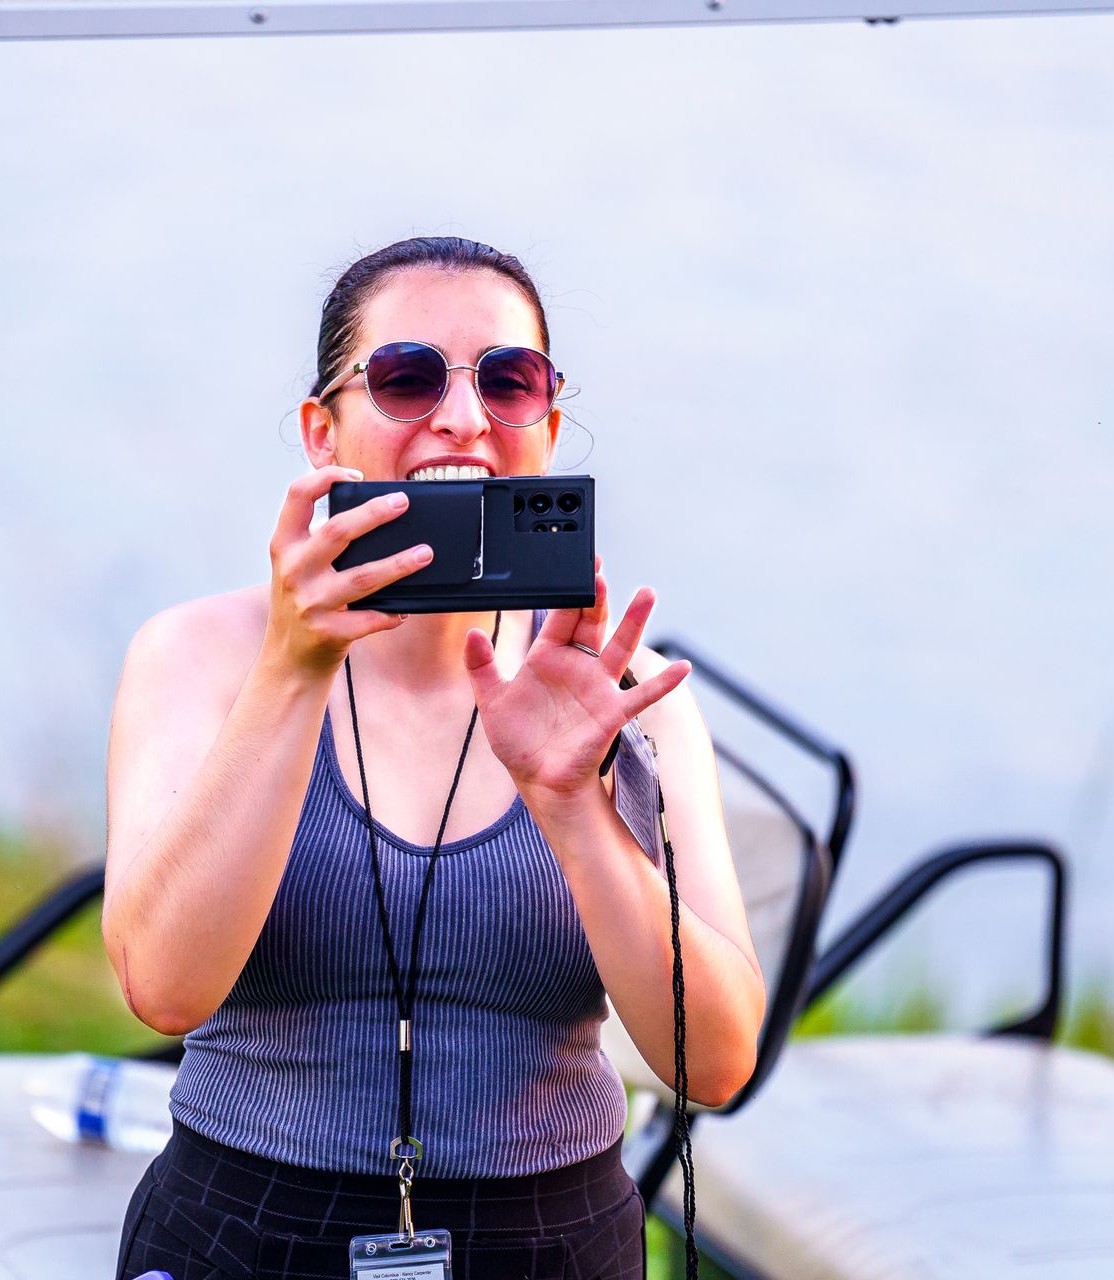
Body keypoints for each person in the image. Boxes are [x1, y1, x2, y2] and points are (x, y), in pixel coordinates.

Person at [103, 236, 765, 1279]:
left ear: (546, 423)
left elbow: (714, 1061)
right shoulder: (197, 655)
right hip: (244, 1222)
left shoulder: (627, 696)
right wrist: (292, 670)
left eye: (509, 380)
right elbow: (166, 987)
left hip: (554, 1238)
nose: (462, 416)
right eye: (408, 378)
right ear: (324, 432)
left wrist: (574, 805)